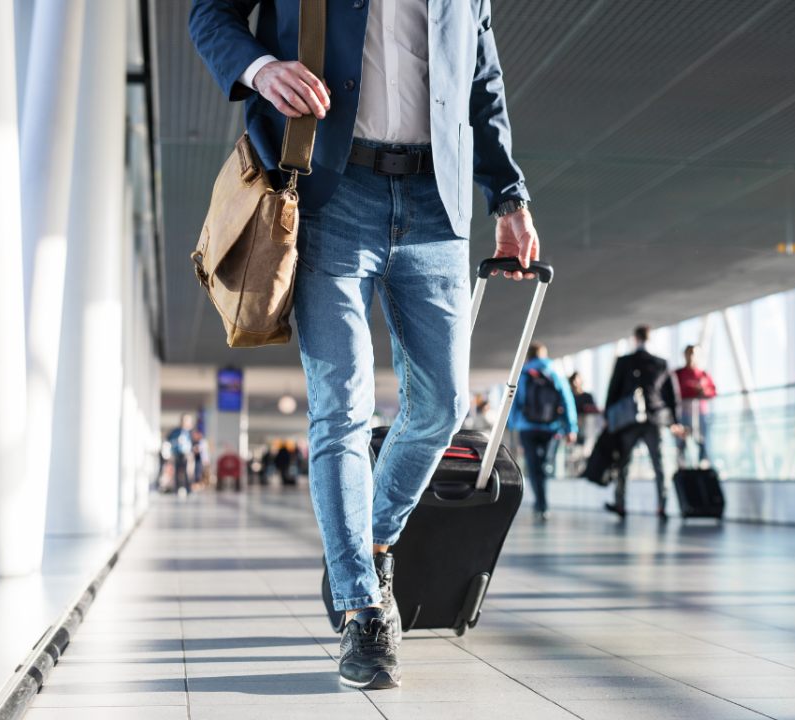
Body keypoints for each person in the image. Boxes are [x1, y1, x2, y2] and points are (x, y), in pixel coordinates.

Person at [190, 0, 538, 690]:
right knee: (341, 407)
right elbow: (210, 12)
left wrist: (509, 196)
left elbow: (481, 78)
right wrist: (260, 69)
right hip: (330, 192)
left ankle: (373, 542)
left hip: (437, 207)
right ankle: (363, 611)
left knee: (439, 406)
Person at [604, 326, 685, 521]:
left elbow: (613, 390)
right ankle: (661, 506)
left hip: (628, 421)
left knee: (624, 464)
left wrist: (608, 417)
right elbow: (673, 396)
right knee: (659, 464)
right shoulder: (661, 363)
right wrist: (675, 421)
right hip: (655, 420)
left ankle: (620, 504)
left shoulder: (624, 361)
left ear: (635, 339)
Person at [509, 342, 577, 522]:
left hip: (527, 428)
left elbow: (514, 402)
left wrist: (515, 425)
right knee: (544, 466)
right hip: (552, 428)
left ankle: (541, 504)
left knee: (533, 466)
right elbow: (567, 401)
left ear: (528, 357)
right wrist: (571, 428)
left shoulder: (522, 374)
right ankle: (542, 503)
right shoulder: (555, 373)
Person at [674, 345, 717, 467]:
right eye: (689, 353)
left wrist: (703, 392)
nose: (692, 356)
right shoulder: (678, 374)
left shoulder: (704, 374)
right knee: (682, 442)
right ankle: (682, 466)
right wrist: (692, 391)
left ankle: (703, 465)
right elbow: (674, 392)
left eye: (694, 353)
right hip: (684, 413)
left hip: (701, 414)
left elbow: (713, 392)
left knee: (703, 441)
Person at [167, 414, 195, 497]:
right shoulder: (176, 431)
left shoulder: (191, 431)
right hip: (177, 453)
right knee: (176, 471)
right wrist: (176, 441)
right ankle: (176, 489)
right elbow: (169, 439)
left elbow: (194, 442)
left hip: (187, 454)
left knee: (188, 472)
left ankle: (188, 489)